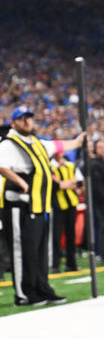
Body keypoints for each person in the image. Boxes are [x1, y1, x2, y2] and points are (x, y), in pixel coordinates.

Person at [0, 105, 84, 306]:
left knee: (39, 250)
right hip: (19, 205)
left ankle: (42, 288)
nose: (28, 121)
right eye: (22, 118)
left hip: (40, 206)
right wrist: (19, 181)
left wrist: (79, 140)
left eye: (29, 117)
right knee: (22, 250)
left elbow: (59, 146)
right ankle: (24, 293)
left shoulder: (37, 143)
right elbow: (1, 165)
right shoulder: (9, 144)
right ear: (14, 122)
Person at [49, 151, 82, 273]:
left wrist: (63, 184)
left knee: (71, 235)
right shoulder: (50, 166)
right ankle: (55, 265)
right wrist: (68, 183)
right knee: (56, 236)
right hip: (57, 204)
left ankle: (71, 264)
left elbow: (79, 182)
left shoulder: (70, 165)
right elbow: (54, 185)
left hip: (71, 203)